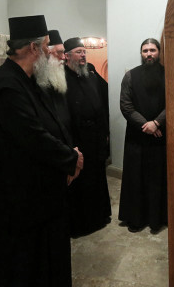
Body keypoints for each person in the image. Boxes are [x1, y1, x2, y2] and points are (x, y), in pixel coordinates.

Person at [0, 15, 83, 287]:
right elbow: (33, 137)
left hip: (35, 199)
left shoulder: (25, 80)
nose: (49, 52)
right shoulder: (7, 86)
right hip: (17, 207)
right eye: (45, 46)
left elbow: (49, 123)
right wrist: (71, 159)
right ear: (33, 48)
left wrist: (67, 154)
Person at [63, 37, 112, 237]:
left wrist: (106, 132)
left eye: (84, 52)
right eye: (78, 52)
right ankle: (83, 224)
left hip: (96, 137)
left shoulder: (91, 76)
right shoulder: (61, 79)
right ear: (67, 56)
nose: (83, 55)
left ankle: (100, 216)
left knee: (98, 177)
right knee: (82, 182)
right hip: (78, 140)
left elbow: (103, 103)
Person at [118, 38, 167, 233]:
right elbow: (126, 106)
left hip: (160, 136)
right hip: (137, 137)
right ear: (141, 53)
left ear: (159, 52)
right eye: (145, 50)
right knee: (136, 178)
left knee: (157, 178)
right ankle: (136, 219)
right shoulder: (130, 76)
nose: (149, 54)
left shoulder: (169, 74)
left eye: (152, 50)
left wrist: (157, 123)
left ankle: (157, 219)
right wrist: (147, 125)